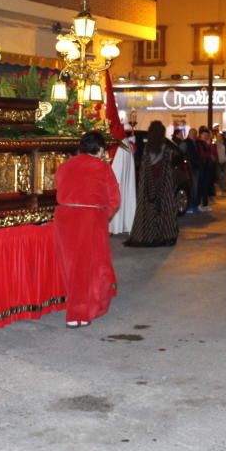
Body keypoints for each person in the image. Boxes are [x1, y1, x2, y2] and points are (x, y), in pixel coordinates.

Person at [54, 131, 121, 327]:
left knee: (71, 265)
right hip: (90, 218)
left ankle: (76, 306)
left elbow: (59, 187)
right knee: (89, 266)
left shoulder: (65, 165)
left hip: (64, 217)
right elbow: (114, 199)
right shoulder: (102, 167)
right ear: (99, 149)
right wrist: (102, 215)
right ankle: (79, 313)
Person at [125, 121, 180, 247]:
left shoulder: (147, 148)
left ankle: (148, 234)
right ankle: (164, 234)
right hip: (163, 185)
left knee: (148, 210)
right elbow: (170, 166)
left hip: (149, 185)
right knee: (164, 209)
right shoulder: (166, 149)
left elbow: (144, 169)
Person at [179, 127, 200, 213]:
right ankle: (191, 206)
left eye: (195, 133)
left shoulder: (196, 143)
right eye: (192, 133)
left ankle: (194, 206)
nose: (194, 135)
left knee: (195, 187)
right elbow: (180, 153)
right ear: (189, 134)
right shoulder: (185, 143)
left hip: (195, 167)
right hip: (189, 168)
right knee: (193, 187)